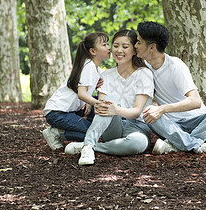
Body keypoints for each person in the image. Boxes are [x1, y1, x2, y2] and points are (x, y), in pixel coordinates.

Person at [134, 21, 206, 155]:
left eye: (139, 42)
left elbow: (195, 101)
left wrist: (162, 109)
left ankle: (178, 145)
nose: (135, 46)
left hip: (199, 124)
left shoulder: (175, 65)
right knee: (147, 113)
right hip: (172, 127)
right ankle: (198, 146)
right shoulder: (144, 69)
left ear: (152, 47)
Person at [64, 29, 154, 166]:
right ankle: (88, 148)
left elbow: (136, 112)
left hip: (137, 126)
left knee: (138, 144)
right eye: (116, 45)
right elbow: (102, 108)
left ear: (135, 50)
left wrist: (115, 110)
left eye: (125, 47)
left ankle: (89, 146)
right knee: (109, 100)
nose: (119, 50)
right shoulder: (105, 75)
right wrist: (112, 109)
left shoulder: (144, 74)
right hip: (112, 126)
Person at [42, 32, 111, 150]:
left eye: (107, 44)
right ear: (93, 51)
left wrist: (89, 102)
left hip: (70, 111)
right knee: (91, 134)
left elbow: (84, 92)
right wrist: (95, 103)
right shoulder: (88, 66)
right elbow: (81, 94)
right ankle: (56, 133)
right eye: (104, 44)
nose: (109, 47)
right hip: (57, 113)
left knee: (98, 103)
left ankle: (70, 128)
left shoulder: (96, 69)